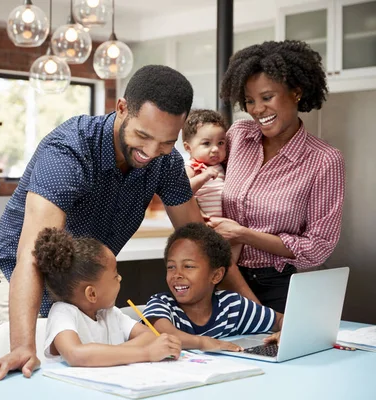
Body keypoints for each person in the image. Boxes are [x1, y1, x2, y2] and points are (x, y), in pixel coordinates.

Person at [0, 65, 202, 381]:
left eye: (166, 142)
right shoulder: (70, 149)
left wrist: (250, 313)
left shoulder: (166, 161)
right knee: (41, 374)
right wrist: (23, 346)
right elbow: (32, 252)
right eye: (143, 136)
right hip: (31, 272)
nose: (151, 153)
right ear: (122, 108)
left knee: (92, 375)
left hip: (89, 278)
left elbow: (197, 239)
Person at [212, 40, 345, 313]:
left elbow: (318, 247)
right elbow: (208, 173)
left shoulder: (324, 160)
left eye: (267, 97)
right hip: (225, 279)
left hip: (280, 287)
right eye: (249, 100)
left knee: (275, 354)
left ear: (296, 92)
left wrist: (244, 234)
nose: (257, 109)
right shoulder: (238, 136)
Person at [38, 228, 181, 367]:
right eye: (115, 276)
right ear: (92, 294)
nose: (120, 278)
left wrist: (110, 355)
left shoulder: (110, 313)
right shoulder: (63, 313)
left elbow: (149, 336)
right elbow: (76, 354)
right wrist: (145, 353)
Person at [143, 223, 282, 347]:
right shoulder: (161, 304)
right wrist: (203, 342)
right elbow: (163, 334)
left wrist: (283, 332)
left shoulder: (232, 306)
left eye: (188, 266)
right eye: (171, 267)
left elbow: (281, 320)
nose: (177, 274)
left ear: (216, 275)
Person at [182, 110, 244, 280]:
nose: (215, 149)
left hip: (221, 224)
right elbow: (183, 190)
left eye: (221, 143)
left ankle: (229, 270)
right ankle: (225, 274)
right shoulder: (193, 166)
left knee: (238, 239)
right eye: (206, 143)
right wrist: (203, 176)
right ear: (188, 147)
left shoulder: (221, 166)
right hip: (207, 223)